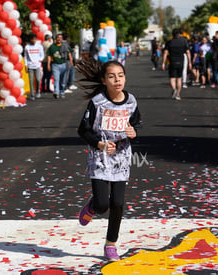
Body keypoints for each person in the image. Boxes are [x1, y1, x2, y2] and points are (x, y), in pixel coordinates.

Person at [76, 59, 142, 262]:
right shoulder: (97, 102)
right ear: (104, 80)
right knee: (103, 204)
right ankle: (93, 204)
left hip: (121, 158)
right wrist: (100, 144)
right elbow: (83, 130)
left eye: (120, 75)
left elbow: (135, 125)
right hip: (100, 157)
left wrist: (133, 133)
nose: (117, 80)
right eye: (112, 76)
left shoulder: (131, 101)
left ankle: (110, 244)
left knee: (118, 202)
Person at [162, 28, 192, 100]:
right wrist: (190, 62)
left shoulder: (169, 42)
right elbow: (188, 52)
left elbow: (165, 53)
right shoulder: (184, 41)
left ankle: (174, 89)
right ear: (179, 34)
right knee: (179, 78)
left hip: (172, 61)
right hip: (181, 61)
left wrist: (163, 63)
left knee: (172, 77)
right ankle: (178, 94)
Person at [47, 33, 73, 99]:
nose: (59, 39)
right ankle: (56, 92)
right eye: (58, 38)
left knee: (63, 80)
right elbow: (49, 56)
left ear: (62, 39)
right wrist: (48, 64)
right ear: (56, 39)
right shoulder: (52, 47)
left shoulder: (65, 46)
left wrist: (71, 61)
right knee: (56, 79)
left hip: (63, 65)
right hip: (55, 65)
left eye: (60, 38)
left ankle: (62, 91)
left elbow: (69, 53)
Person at [24, 34, 44, 100]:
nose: (33, 40)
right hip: (30, 66)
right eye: (32, 39)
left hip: (37, 65)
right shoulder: (27, 47)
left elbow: (42, 55)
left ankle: (38, 91)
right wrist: (26, 65)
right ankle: (32, 94)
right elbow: (26, 57)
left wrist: (39, 60)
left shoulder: (39, 46)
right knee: (31, 80)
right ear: (30, 39)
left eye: (35, 39)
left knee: (38, 79)